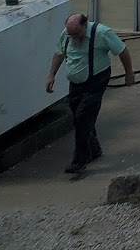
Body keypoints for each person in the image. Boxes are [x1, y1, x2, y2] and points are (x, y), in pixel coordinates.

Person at [45, 12, 134, 173]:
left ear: (84, 25)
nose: (73, 36)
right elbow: (59, 53)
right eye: (70, 33)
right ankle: (94, 149)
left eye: (76, 33)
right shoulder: (67, 34)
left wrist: (129, 74)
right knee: (78, 116)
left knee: (83, 117)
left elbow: (122, 51)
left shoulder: (102, 33)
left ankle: (79, 160)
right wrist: (51, 75)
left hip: (96, 80)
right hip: (76, 83)